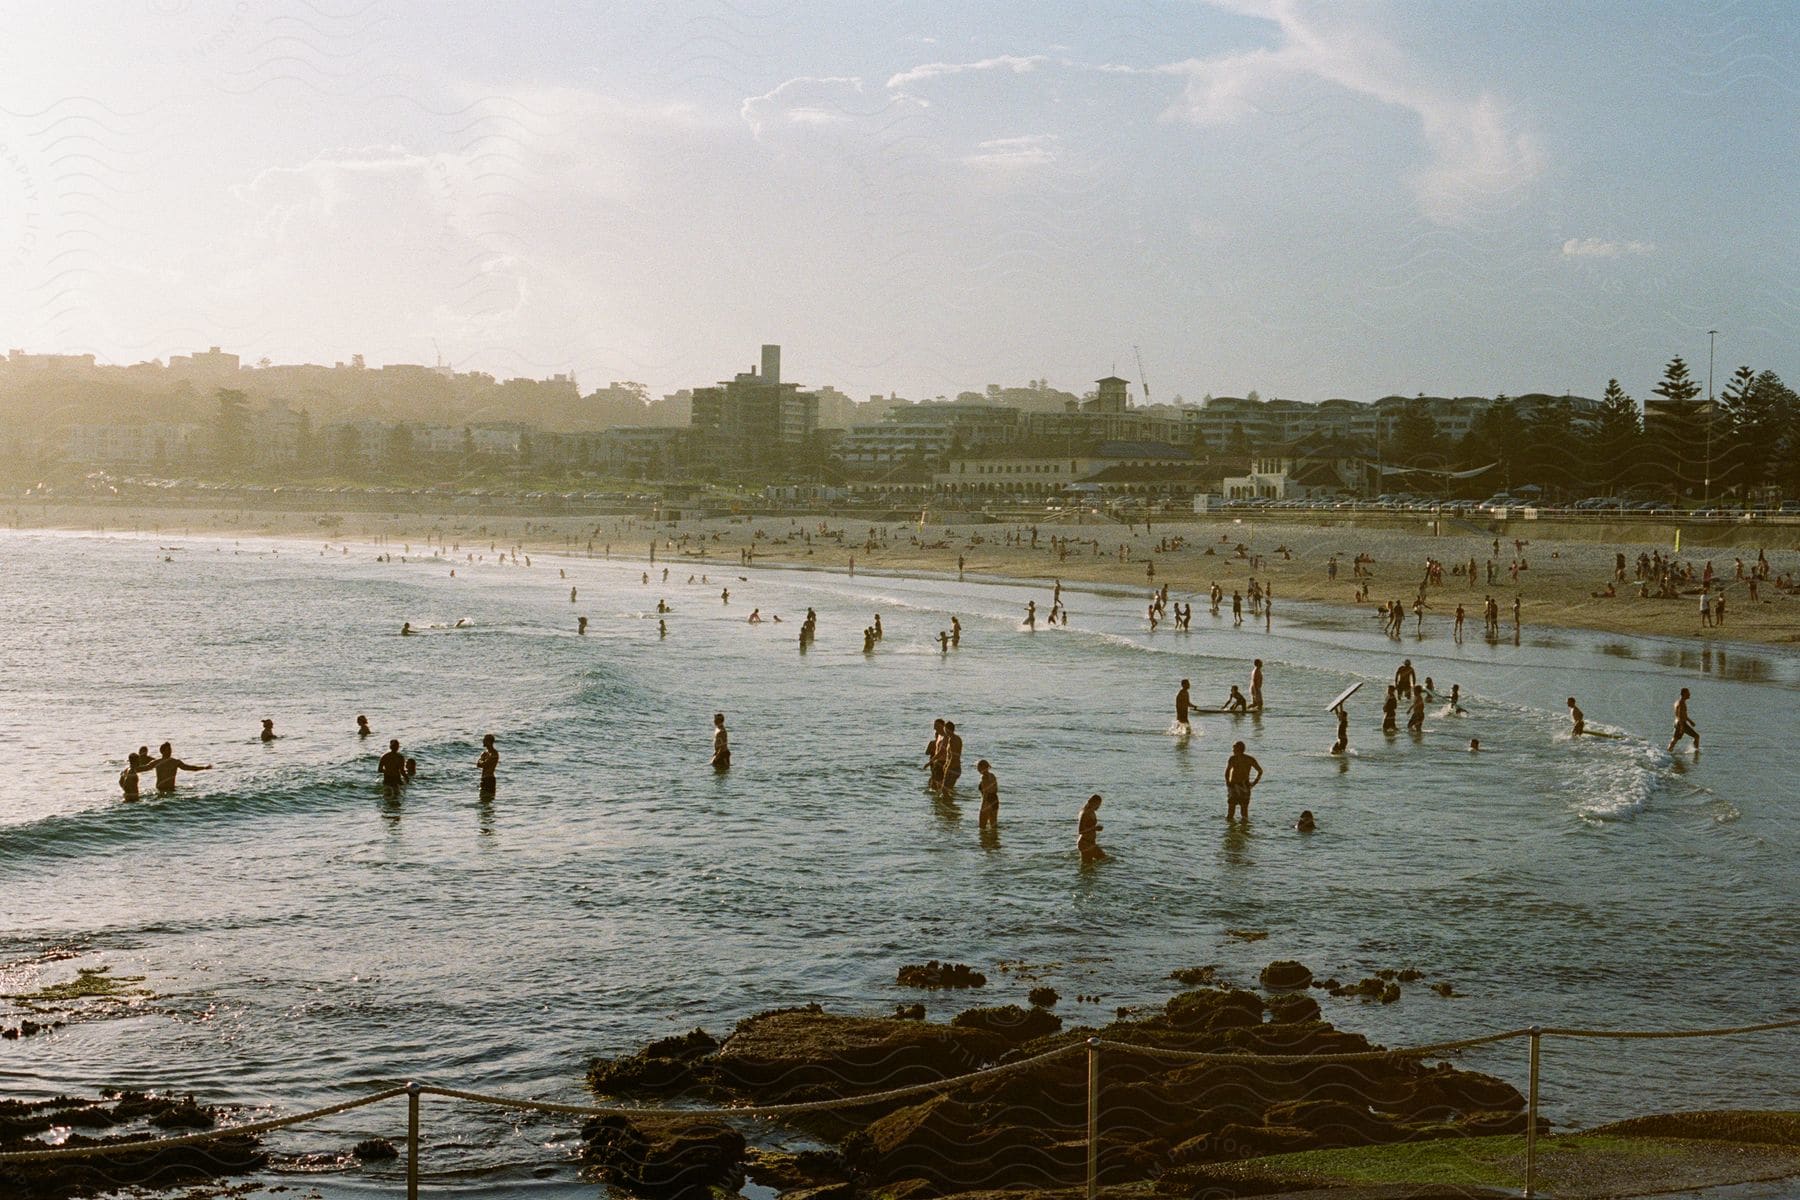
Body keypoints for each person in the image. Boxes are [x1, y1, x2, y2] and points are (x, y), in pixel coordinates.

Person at [146, 742, 212, 794]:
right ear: (162, 751)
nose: (170, 751)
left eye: (170, 750)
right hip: (160, 789)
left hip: (171, 789)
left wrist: (204, 768)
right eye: (168, 750)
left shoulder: (175, 762)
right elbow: (145, 768)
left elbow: (189, 767)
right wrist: (135, 768)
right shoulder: (156, 762)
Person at [1225, 741, 1262, 820]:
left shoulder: (1240, 759)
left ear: (1239, 749)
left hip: (1242, 786)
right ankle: (1239, 830)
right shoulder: (1234, 759)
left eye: (1234, 748)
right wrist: (1228, 784)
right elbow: (1227, 772)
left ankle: (1239, 829)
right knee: (1234, 813)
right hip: (1236, 786)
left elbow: (1260, 771)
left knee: (1241, 813)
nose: (1233, 750)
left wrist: (1254, 783)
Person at [1667, 688, 1699, 752]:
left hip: (1677, 722)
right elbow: (1680, 716)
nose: (1689, 694)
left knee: (1675, 739)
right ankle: (1696, 751)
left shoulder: (1678, 702)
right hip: (1681, 723)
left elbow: (1682, 714)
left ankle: (1668, 751)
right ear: (1684, 694)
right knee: (1696, 736)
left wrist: (1690, 721)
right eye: (1688, 693)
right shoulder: (1681, 703)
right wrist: (1682, 727)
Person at [1078, 794, 1107, 863]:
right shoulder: (1085, 813)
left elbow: (1089, 826)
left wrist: (1095, 828)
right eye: (1098, 804)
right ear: (1093, 802)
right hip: (1085, 843)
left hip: (1090, 842)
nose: (1099, 806)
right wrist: (1094, 828)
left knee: (1088, 868)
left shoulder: (1092, 811)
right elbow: (1080, 831)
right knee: (1105, 859)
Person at [939, 721, 963, 790]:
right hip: (957, 768)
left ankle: (947, 800)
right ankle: (949, 801)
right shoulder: (958, 738)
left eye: (944, 729)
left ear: (947, 729)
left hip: (952, 768)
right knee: (949, 789)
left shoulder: (952, 740)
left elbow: (953, 756)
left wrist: (947, 768)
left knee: (944, 790)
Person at [976, 760, 999, 829]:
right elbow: (996, 789)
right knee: (993, 825)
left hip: (987, 800)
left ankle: (984, 839)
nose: (977, 769)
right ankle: (994, 839)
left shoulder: (984, 778)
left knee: (982, 826)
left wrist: (983, 805)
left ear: (981, 768)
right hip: (995, 799)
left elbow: (986, 792)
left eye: (978, 767)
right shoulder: (992, 776)